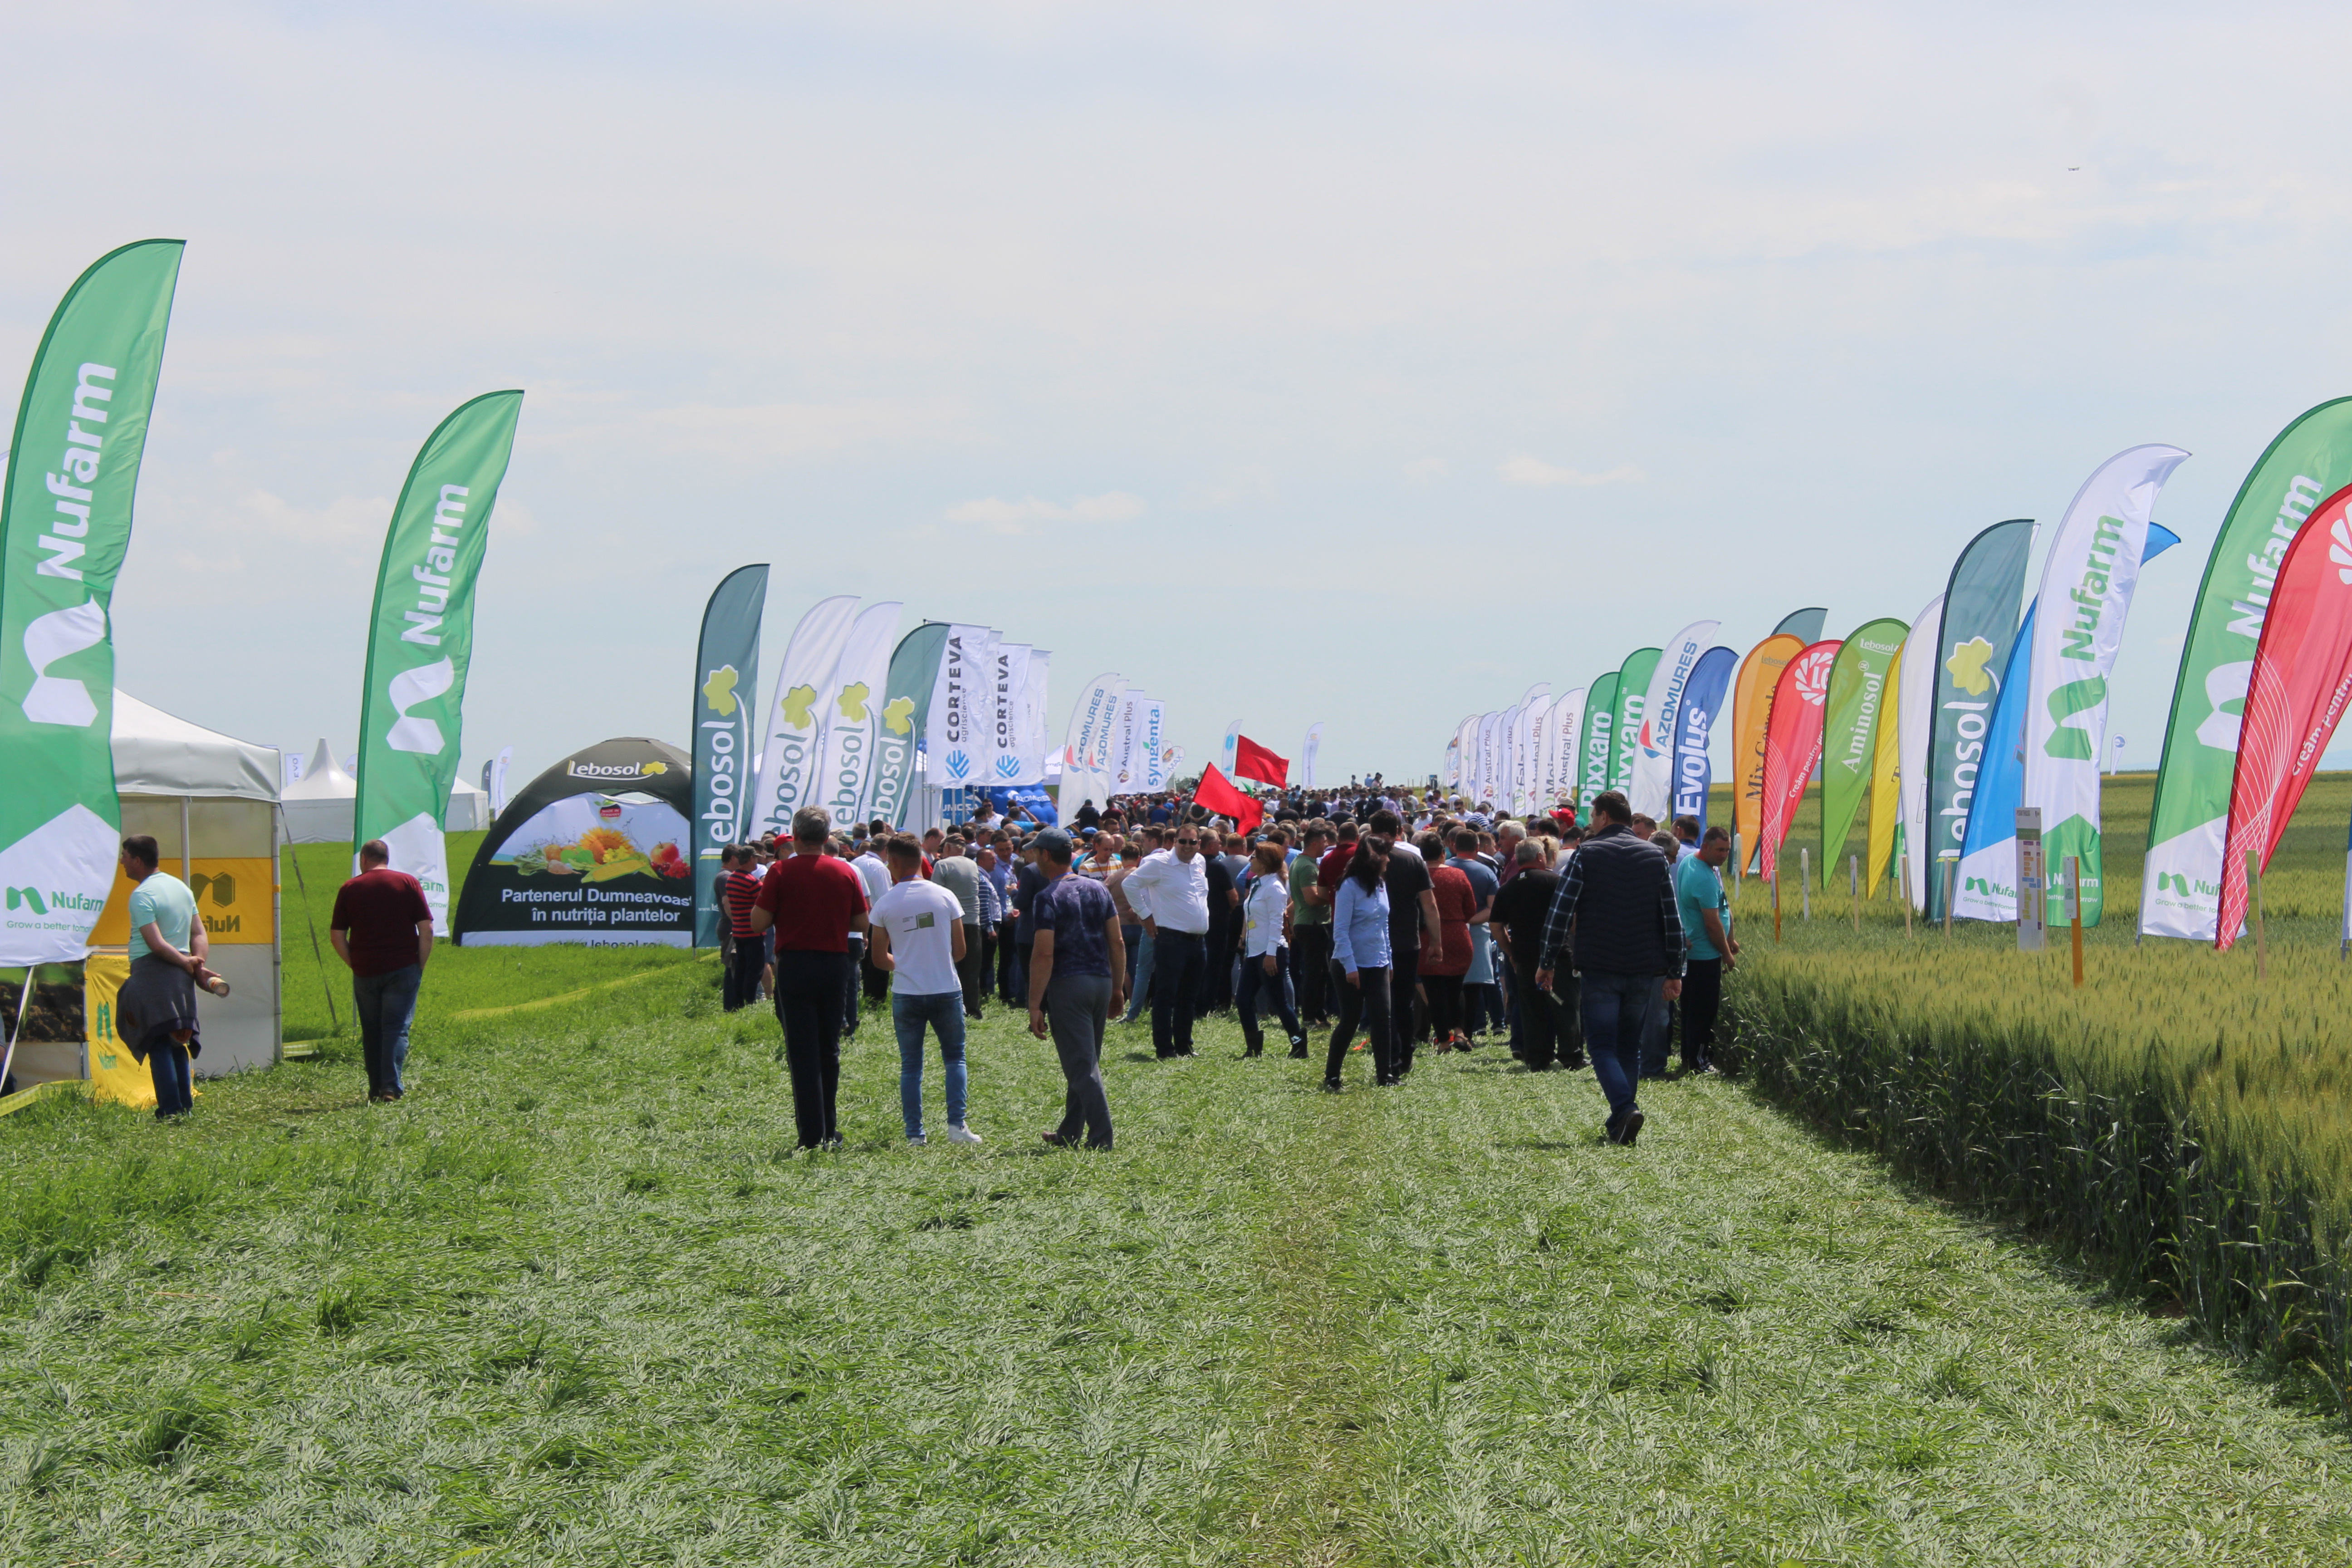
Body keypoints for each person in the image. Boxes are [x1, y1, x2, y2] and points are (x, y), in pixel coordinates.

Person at [1535, 791, 1683, 1147]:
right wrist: (1676, 969)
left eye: (1593, 816)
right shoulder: (1655, 856)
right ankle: (1621, 1122)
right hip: (1643, 966)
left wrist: (1547, 961)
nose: (1592, 821)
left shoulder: (1587, 854)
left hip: (1600, 964)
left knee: (1601, 1044)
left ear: (1603, 817)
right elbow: (1671, 916)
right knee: (1629, 1045)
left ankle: (1625, 1108)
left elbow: (1560, 912)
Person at [751, 806, 870, 1150]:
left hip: (795, 964)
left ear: (797, 835)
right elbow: (861, 922)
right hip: (834, 963)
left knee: (802, 1051)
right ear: (827, 836)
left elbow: (759, 922)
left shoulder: (780, 871)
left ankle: (811, 1134)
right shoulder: (845, 871)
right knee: (829, 1049)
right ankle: (830, 1129)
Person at [868, 833, 981, 1146]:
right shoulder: (945, 896)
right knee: (955, 1059)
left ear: (893, 862)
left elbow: (879, 959)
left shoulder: (884, 904)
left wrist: (906, 963)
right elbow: (960, 951)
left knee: (911, 1065)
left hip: (907, 992)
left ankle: (915, 1134)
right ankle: (957, 1126)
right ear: (921, 859)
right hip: (945, 988)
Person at [1026, 827, 1125, 1148]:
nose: (1034, 857)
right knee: (1084, 1060)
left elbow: (1044, 954)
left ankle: (1102, 1138)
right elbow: (1117, 942)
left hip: (1069, 985)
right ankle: (1070, 1132)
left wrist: (1034, 1005)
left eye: (1036, 852)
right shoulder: (1099, 889)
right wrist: (1118, 988)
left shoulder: (1047, 897)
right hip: (1101, 982)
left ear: (1045, 855)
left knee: (1081, 1066)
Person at [117, 835, 222, 1118]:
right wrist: (196, 965)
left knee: (158, 1041)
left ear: (137, 860)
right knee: (177, 1039)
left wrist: (189, 963)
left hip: (153, 972)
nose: (122, 861)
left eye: (124, 856)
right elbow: (199, 933)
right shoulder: (181, 888)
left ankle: (170, 1110)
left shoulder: (142, 895)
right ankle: (183, 1108)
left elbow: (156, 944)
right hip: (180, 974)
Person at [326, 837, 434, 1104]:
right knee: (396, 1028)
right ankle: (390, 1088)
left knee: (372, 1030)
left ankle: (375, 1088)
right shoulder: (408, 882)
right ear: (387, 859)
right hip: (403, 967)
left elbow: (337, 935)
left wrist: (354, 962)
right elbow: (427, 929)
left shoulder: (350, 888)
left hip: (366, 971)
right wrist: (420, 963)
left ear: (363, 860)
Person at [1126, 822, 1210, 1058]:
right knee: (1166, 996)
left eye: (1192, 842)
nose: (1187, 846)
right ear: (1174, 842)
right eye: (1182, 841)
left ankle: (1184, 1045)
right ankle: (1165, 1049)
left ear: (1199, 844)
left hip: (1198, 941)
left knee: (1189, 997)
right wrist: (1146, 916)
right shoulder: (1159, 863)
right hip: (1171, 939)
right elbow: (1130, 884)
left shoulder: (1200, 862)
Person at [1366, 809, 1440, 1078]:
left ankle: (1387, 1055)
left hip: (1374, 941)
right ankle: (1405, 1055)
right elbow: (1429, 905)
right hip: (1407, 940)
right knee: (1404, 1001)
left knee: (1380, 1003)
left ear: (1371, 831)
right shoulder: (1412, 859)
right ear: (1399, 831)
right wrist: (1436, 942)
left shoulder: (1362, 861)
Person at [1490, 839, 1576, 1069]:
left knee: (1531, 1009)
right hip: (1557, 954)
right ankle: (1570, 1055)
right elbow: (1572, 918)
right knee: (1565, 1006)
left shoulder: (1507, 888)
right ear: (1540, 857)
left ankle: (1537, 1057)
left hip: (1524, 956)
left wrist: (1511, 952)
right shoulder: (1555, 882)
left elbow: (1496, 926)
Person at [1325, 833, 1394, 1090]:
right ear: (1373, 858)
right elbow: (1340, 931)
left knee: (1382, 1018)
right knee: (1350, 1021)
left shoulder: (1381, 885)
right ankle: (1332, 1076)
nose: (1388, 859)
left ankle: (1385, 1074)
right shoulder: (1349, 886)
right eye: (1384, 855)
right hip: (1349, 964)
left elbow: (1383, 926)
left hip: (1378, 963)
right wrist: (1351, 967)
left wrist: (1389, 961)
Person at [1675, 825, 1738, 1073]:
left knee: (1692, 1009)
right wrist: (1727, 955)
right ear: (1705, 847)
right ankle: (1699, 1062)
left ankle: (1689, 1057)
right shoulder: (1702, 877)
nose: (1724, 855)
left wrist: (1731, 936)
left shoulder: (1695, 863)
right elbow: (1712, 923)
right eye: (1720, 850)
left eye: (1728, 850)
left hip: (1695, 952)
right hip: (1704, 954)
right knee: (1703, 1010)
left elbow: (1723, 905)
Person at [1237, 838, 1305, 1058]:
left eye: (1255, 857)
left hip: (1271, 952)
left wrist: (1271, 954)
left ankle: (1299, 1044)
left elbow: (1277, 923)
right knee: (1243, 1000)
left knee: (1279, 1002)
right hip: (1254, 952)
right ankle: (1253, 1048)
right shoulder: (1258, 883)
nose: (1251, 859)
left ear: (1265, 862)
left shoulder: (1274, 887)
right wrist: (1246, 940)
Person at [1417, 830, 1475, 1051]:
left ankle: (1444, 1040)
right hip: (1457, 935)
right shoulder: (1458, 875)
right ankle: (1460, 1032)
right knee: (1457, 987)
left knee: (1434, 992)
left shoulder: (1419, 876)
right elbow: (1470, 909)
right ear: (1443, 853)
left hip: (1427, 936)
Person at [929, 837, 990, 1019]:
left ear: (947, 848)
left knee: (948, 967)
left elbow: (935, 895)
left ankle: (948, 1008)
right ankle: (973, 1009)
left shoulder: (942, 865)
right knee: (971, 970)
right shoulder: (973, 865)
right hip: (973, 922)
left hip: (950, 922)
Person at [1287, 821, 1333, 1028]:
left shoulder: (1301, 862)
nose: (1327, 845)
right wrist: (1334, 898)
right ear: (1315, 843)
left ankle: (1318, 1013)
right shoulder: (1306, 866)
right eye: (1324, 842)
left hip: (1308, 922)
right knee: (1315, 972)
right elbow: (1311, 898)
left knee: (1320, 971)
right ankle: (1309, 1016)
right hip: (1313, 924)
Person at [721, 844, 767, 1010]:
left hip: (739, 931)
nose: (757, 862)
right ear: (750, 859)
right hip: (753, 932)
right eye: (756, 859)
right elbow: (764, 904)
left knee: (740, 970)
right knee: (755, 971)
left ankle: (738, 1003)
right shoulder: (753, 882)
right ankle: (749, 1003)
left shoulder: (732, 879)